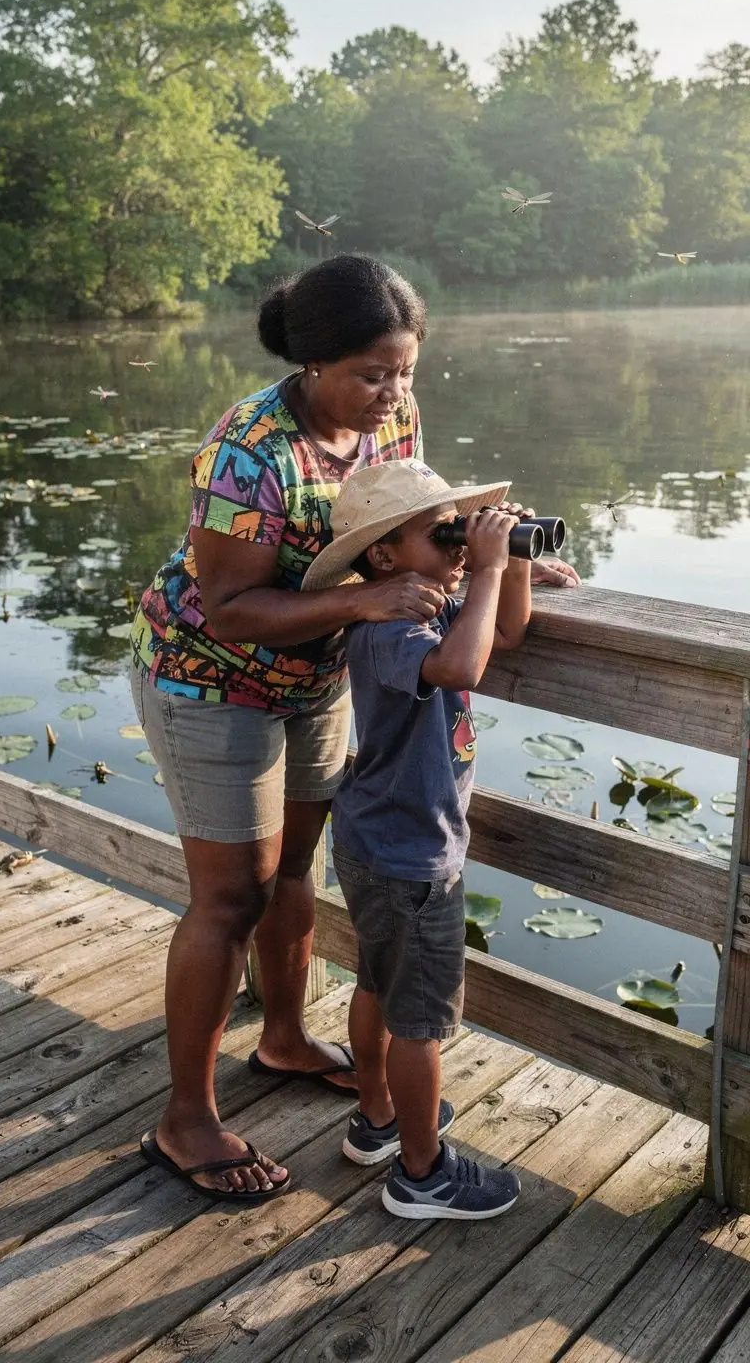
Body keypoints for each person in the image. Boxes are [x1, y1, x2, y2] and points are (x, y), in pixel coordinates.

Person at [129, 254, 579, 1206]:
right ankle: (187, 1118)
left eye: (405, 371)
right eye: (372, 374)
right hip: (210, 676)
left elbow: (410, 521)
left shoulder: (393, 420)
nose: (393, 394)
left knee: (296, 870)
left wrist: (494, 562)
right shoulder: (248, 448)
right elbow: (230, 608)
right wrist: (368, 598)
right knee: (231, 898)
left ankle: (285, 1038)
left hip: (325, 669)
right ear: (314, 363)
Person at [302, 458, 530, 1220]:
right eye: (444, 534)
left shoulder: (424, 602)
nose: (460, 544)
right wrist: (487, 566)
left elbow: (505, 631)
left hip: (378, 841)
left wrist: (511, 563)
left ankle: (378, 1118)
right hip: (410, 856)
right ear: (383, 555)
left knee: (377, 984)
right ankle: (422, 1173)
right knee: (420, 1021)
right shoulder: (392, 627)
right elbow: (463, 664)